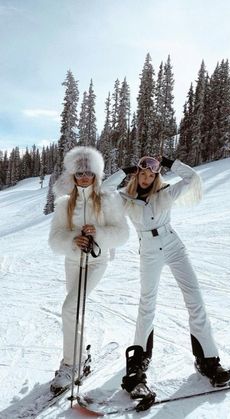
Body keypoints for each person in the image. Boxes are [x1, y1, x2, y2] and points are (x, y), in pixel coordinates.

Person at [103, 156, 230, 389]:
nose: (146, 178)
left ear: (156, 177)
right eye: (142, 174)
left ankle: (208, 360)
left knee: (195, 300)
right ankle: (139, 361)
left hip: (174, 246)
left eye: (151, 175)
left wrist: (171, 163)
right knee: (147, 304)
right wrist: (124, 171)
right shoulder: (125, 200)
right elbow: (103, 190)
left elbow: (192, 178)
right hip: (149, 253)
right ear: (137, 175)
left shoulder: (165, 194)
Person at [48, 146, 129, 393]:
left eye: (89, 172)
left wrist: (99, 233)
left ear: (96, 175)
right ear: (73, 175)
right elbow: (55, 237)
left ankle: (71, 364)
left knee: (69, 307)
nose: (84, 177)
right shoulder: (64, 204)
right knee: (75, 311)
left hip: (96, 261)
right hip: (72, 261)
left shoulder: (108, 199)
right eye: (79, 173)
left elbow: (122, 233)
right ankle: (80, 357)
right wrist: (73, 239)